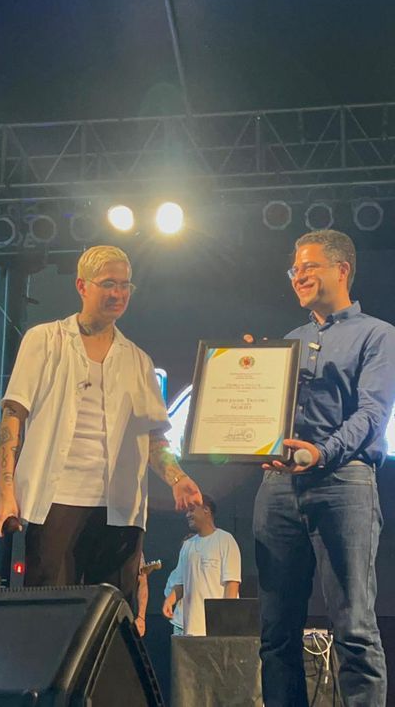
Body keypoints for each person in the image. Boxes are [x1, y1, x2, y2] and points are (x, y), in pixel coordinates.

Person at [0, 245, 202, 605]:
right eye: (107, 284)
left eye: (125, 285)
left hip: (120, 506)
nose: (118, 294)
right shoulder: (44, 339)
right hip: (56, 499)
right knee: (51, 612)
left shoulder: (138, 360)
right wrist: (6, 488)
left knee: (112, 615)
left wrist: (177, 478)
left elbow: (153, 436)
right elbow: (14, 415)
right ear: (82, 286)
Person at [252, 230, 395, 707]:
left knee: (354, 626)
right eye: (294, 270)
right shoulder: (288, 342)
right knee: (275, 634)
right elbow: (268, 416)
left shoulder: (377, 335)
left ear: (342, 269)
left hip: (344, 482)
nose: (299, 277)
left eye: (309, 267)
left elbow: (372, 415)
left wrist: (322, 451)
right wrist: (246, 370)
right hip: (278, 487)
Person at [162, 494, 241, 636]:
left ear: (206, 509)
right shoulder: (187, 546)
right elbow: (180, 584)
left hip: (217, 630)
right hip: (190, 630)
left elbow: (232, 584)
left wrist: (225, 621)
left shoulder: (225, 539)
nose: (187, 515)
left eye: (191, 510)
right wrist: (170, 600)